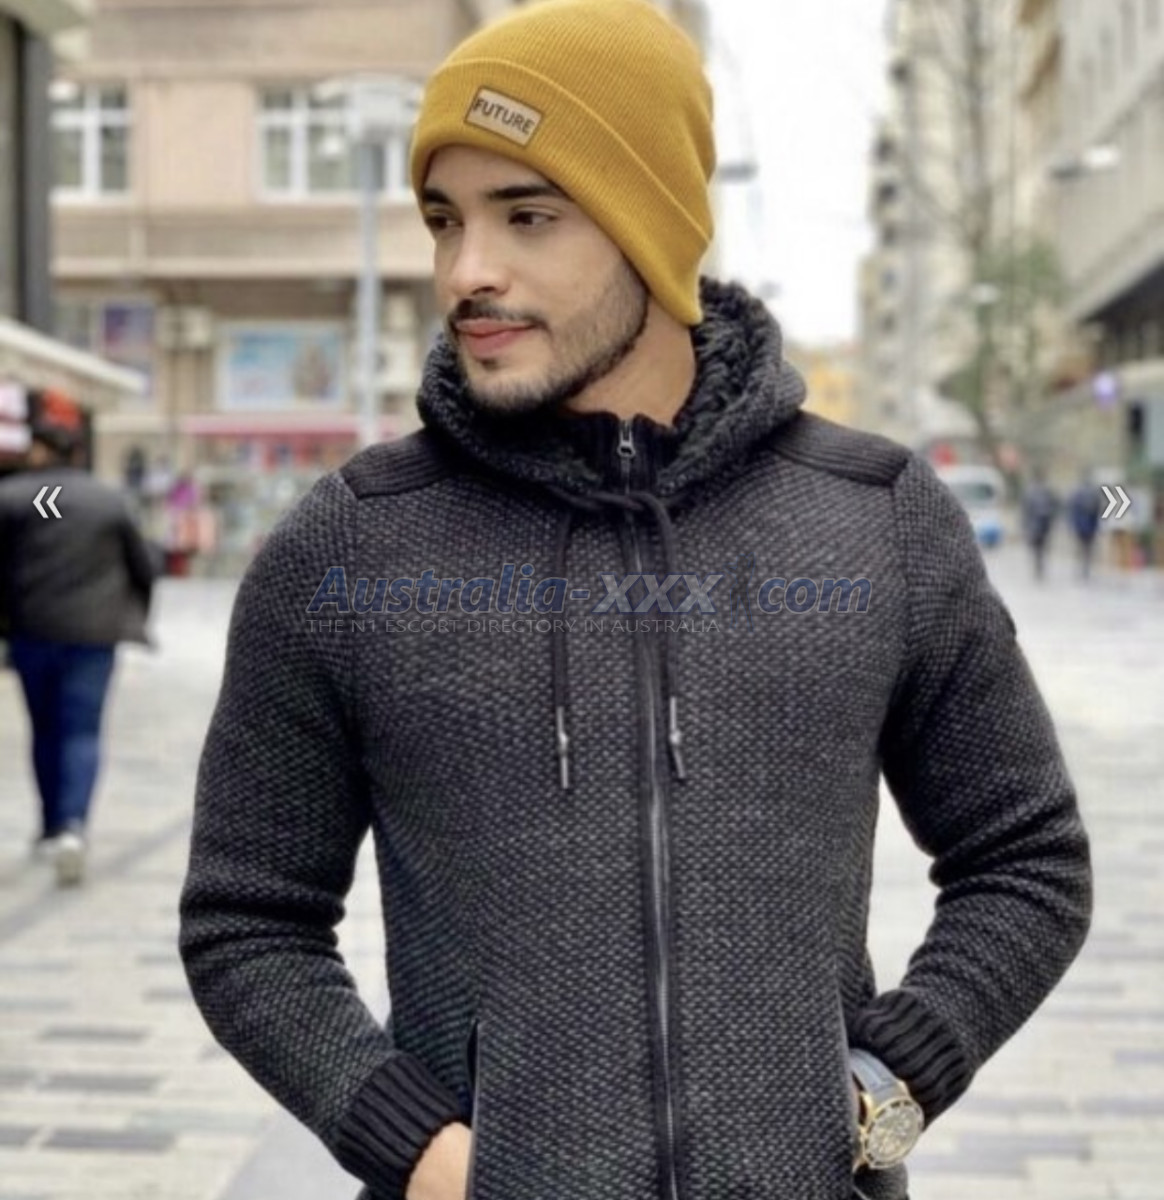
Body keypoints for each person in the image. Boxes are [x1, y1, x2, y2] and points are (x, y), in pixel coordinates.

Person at [179, 3, 1093, 1199]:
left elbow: (1027, 857)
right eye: (445, 219)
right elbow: (247, 919)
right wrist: (424, 1155)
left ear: (655, 226)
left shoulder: (876, 517)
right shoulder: (353, 543)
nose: (468, 270)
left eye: (528, 215)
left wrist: (883, 1086)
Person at [0, 428, 159, 885]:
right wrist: (138, 617)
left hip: (34, 631)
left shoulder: (24, 497)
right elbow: (144, 567)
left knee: (45, 729)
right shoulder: (107, 500)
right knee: (81, 730)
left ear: (41, 450)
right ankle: (73, 825)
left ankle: (52, 825)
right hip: (94, 635)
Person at [1021, 467, 1060, 581]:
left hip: (1036, 526)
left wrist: (1024, 525)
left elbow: (1025, 510)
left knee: (1037, 547)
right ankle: (1039, 565)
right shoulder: (1047, 491)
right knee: (1041, 547)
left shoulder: (1030, 491)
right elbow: (1054, 507)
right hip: (1044, 525)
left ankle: (1038, 565)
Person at [1067, 470, 1103, 580]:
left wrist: (1071, 525)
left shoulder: (1077, 493)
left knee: (1081, 547)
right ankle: (1085, 568)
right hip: (1091, 526)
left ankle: (1082, 568)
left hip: (1080, 525)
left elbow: (1073, 510)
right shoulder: (1094, 493)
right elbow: (1098, 511)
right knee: (1088, 548)